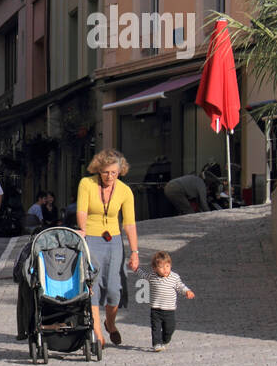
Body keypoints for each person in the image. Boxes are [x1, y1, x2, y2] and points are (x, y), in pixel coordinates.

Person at [75, 150, 140, 350]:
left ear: (120, 171)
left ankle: (110, 323)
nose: (109, 176)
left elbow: (129, 223)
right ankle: (97, 334)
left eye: (113, 172)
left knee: (114, 289)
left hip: (114, 241)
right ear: (98, 170)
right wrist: (83, 230)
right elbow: (82, 210)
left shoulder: (125, 191)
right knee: (92, 286)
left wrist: (135, 252)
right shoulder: (86, 184)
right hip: (91, 239)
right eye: (105, 172)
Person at [147, 250, 195, 352]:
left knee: (170, 328)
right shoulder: (152, 276)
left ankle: (165, 340)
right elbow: (142, 275)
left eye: (167, 266)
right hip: (155, 309)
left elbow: (180, 286)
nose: (165, 269)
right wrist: (135, 268)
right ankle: (156, 344)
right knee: (155, 328)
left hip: (169, 310)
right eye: (161, 267)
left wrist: (187, 291)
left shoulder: (174, 277)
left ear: (170, 265)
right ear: (155, 268)